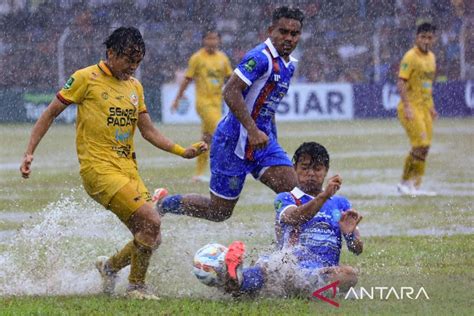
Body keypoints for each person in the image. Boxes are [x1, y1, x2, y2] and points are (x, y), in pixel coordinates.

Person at [19, 27, 207, 300]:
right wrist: (29, 152)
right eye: (128, 60)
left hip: (128, 170)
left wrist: (182, 151)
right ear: (110, 53)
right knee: (151, 220)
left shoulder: (135, 87)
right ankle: (136, 288)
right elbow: (49, 114)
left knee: (151, 234)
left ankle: (108, 268)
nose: (132, 67)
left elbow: (149, 131)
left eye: (138, 62)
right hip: (98, 171)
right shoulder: (85, 78)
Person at [156, 6, 304, 222]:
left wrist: (272, 141)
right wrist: (252, 130)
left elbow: (267, 106)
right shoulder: (260, 58)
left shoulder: (288, 65)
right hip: (233, 142)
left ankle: (288, 252)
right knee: (219, 212)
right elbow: (231, 91)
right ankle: (163, 204)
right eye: (283, 32)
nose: (288, 38)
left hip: (262, 144)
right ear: (270, 30)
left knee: (296, 196)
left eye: (294, 33)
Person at [199, 142, 364, 297]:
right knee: (268, 268)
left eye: (317, 169)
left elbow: (357, 249)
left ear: (326, 170)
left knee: (349, 275)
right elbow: (293, 217)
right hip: (289, 265)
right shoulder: (285, 198)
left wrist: (349, 234)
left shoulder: (340, 203)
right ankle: (235, 278)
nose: (311, 174)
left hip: (320, 271)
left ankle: (244, 284)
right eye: (305, 168)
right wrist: (323, 196)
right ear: (295, 169)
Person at [171, 30, 233, 182]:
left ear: (218, 40)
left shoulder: (223, 58)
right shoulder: (197, 58)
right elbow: (187, 79)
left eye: (214, 38)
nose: (211, 41)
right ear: (204, 40)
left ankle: (198, 174)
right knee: (221, 132)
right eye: (208, 38)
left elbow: (230, 78)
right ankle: (226, 171)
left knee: (207, 139)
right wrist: (178, 97)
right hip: (203, 103)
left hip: (217, 103)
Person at [396, 22, 438, 196]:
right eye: (423, 37)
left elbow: (427, 86)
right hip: (411, 107)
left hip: (425, 108)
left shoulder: (432, 58)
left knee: (425, 147)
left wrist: (432, 107)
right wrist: (406, 106)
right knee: (420, 144)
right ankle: (405, 182)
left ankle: (415, 186)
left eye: (429, 37)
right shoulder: (410, 57)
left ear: (433, 39)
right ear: (416, 37)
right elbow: (401, 82)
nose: (426, 41)